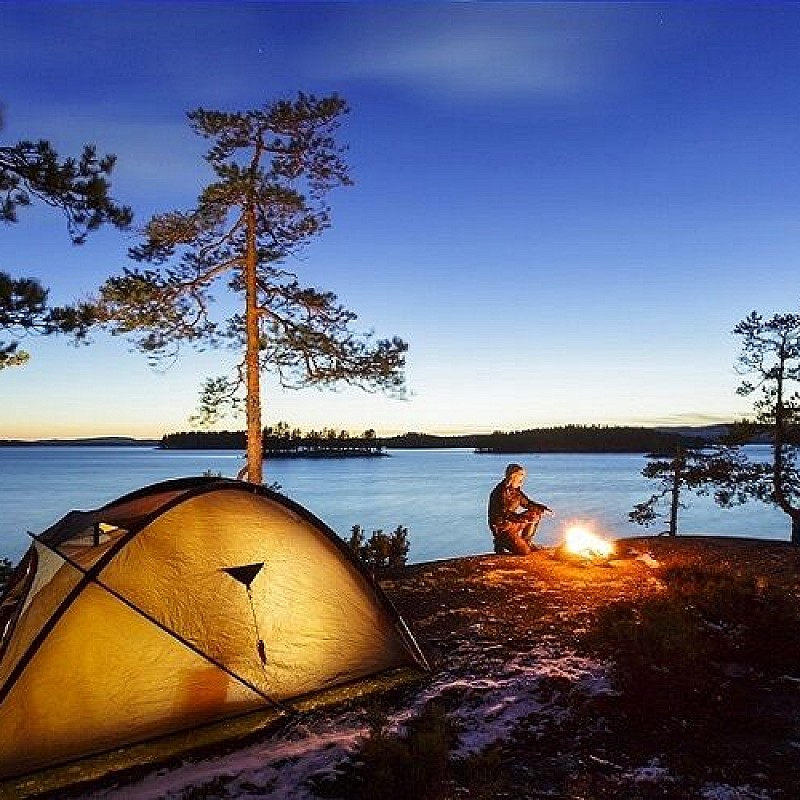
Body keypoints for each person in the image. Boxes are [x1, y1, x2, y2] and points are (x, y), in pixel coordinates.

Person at [488, 463, 552, 555]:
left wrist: (542, 508)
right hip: (502, 528)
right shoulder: (500, 492)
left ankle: (527, 541)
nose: (522, 482)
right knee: (524, 551)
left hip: (513, 523)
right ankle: (500, 541)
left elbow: (527, 503)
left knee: (535, 513)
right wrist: (523, 519)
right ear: (512, 477)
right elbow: (505, 513)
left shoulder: (515, 491)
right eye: (520, 479)